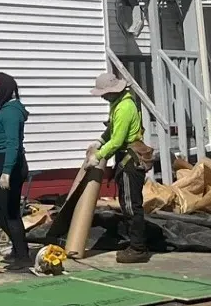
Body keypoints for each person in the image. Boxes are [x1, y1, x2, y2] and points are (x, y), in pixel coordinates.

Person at [63, 70, 151, 262]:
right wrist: (99, 141)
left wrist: (100, 155)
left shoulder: (124, 107)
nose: (102, 97)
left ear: (112, 91)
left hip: (131, 160)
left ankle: (138, 249)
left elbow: (118, 140)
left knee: (130, 205)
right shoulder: (117, 104)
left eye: (104, 93)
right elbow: (111, 129)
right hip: (124, 158)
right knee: (126, 203)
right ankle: (134, 244)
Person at [0, 72, 33, 271]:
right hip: (1, 161)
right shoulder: (1, 110)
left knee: (9, 211)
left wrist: (6, 171)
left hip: (11, 165)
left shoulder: (11, 112)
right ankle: (18, 247)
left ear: (3, 91)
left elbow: (13, 142)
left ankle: (23, 256)